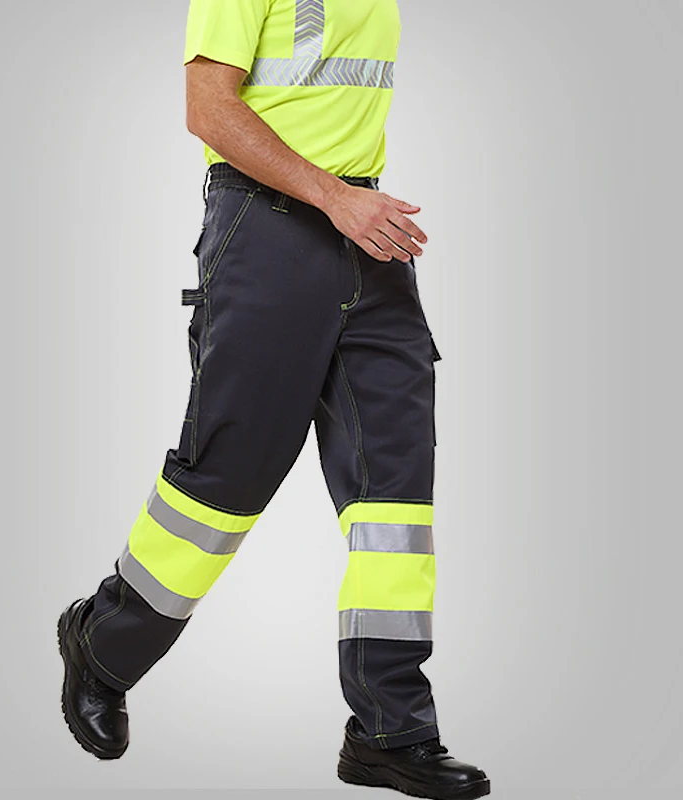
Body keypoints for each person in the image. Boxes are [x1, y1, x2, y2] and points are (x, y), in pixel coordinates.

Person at [57, 1, 490, 797]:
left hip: (368, 236)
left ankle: (390, 733)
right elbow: (208, 109)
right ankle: (103, 646)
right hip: (269, 226)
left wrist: (351, 204)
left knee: (394, 503)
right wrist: (335, 198)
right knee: (226, 479)